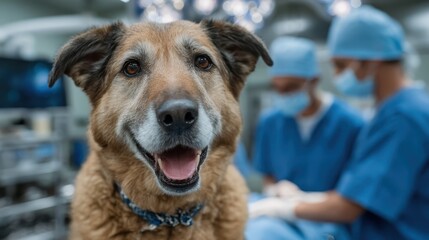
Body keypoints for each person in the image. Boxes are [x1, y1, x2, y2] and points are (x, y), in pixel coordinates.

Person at [250, 6, 429, 240]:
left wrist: (281, 207)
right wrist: (295, 197)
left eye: (341, 65)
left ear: (371, 62)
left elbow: (349, 205)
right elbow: (353, 192)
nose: (335, 75)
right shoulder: (398, 110)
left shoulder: (402, 117)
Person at [247, 37, 364, 239]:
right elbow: (268, 176)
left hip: (328, 223)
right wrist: (275, 190)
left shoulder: (351, 124)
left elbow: (353, 196)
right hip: (278, 220)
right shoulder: (270, 122)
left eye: (291, 87)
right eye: (277, 88)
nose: (283, 95)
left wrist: (300, 202)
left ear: (314, 81)